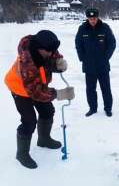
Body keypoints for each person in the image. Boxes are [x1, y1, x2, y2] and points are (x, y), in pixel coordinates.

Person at [4, 30, 75, 169]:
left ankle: (43, 139)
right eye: (49, 51)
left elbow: (53, 55)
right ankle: (22, 154)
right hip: (20, 89)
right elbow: (36, 93)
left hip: (37, 85)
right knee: (29, 120)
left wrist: (58, 63)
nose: (51, 53)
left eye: (52, 50)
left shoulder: (45, 47)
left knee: (47, 110)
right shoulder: (28, 62)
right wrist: (59, 94)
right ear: (39, 48)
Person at [75, 8, 116, 117]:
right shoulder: (82, 29)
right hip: (89, 66)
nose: (92, 20)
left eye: (94, 18)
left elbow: (112, 43)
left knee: (106, 89)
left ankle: (108, 109)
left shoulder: (105, 28)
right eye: (90, 18)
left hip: (103, 65)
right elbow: (78, 44)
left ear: (98, 17)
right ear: (87, 18)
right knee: (90, 89)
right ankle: (92, 108)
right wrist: (82, 58)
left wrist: (106, 57)